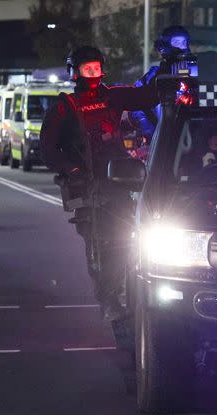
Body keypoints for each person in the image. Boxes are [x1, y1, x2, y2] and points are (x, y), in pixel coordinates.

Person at [40, 46, 160, 320]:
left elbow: (147, 97)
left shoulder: (113, 96)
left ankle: (136, 288)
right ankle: (109, 299)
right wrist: (72, 170)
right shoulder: (64, 107)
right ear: (75, 72)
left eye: (96, 68)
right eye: (86, 69)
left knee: (134, 236)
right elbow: (48, 148)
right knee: (102, 243)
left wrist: (163, 71)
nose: (93, 74)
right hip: (88, 185)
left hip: (120, 178)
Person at [129, 26, 192, 155]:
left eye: (184, 43)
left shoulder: (197, 71)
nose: (182, 47)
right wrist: (152, 132)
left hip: (194, 140)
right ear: (165, 45)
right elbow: (136, 107)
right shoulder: (154, 77)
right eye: (177, 42)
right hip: (163, 143)